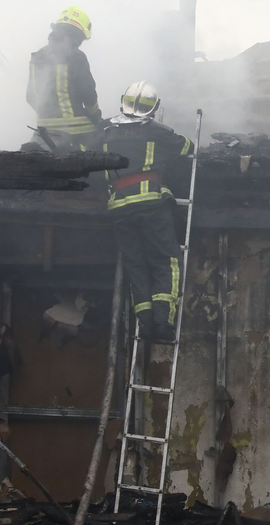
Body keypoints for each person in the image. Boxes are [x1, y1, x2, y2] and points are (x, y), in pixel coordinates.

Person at [102, 81, 194, 344]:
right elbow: (187, 147)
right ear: (153, 108)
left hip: (118, 207)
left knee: (137, 266)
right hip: (150, 205)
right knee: (167, 261)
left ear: (123, 101)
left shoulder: (106, 131)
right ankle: (163, 323)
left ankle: (145, 324)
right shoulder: (156, 130)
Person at [26, 6, 103, 151]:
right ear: (78, 34)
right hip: (75, 134)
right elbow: (88, 94)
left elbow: (30, 96)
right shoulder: (76, 57)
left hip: (43, 134)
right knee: (102, 146)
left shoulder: (37, 57)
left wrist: (48, 116)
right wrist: (96, 117)